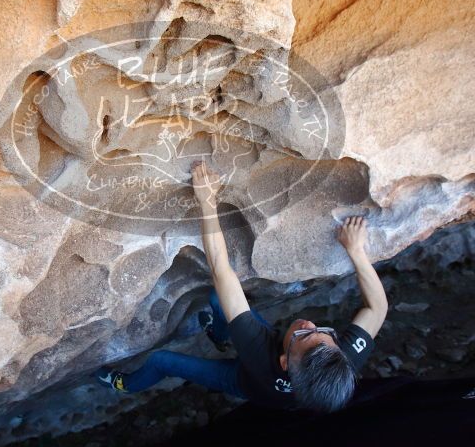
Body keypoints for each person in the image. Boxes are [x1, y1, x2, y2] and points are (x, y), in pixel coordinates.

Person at [95, 161, 388, 412]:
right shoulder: (336, 361)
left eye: (303, 334)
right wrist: (356, 251)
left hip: (244, 380)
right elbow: (377, 308)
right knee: (216, 300)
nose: (310, 323)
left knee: (161, 360)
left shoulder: (258, 350)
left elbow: (221, 270)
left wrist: (207, 203)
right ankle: (221, 336)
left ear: (285, 361)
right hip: (285, 379)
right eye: (324, 332)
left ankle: (125, 384)